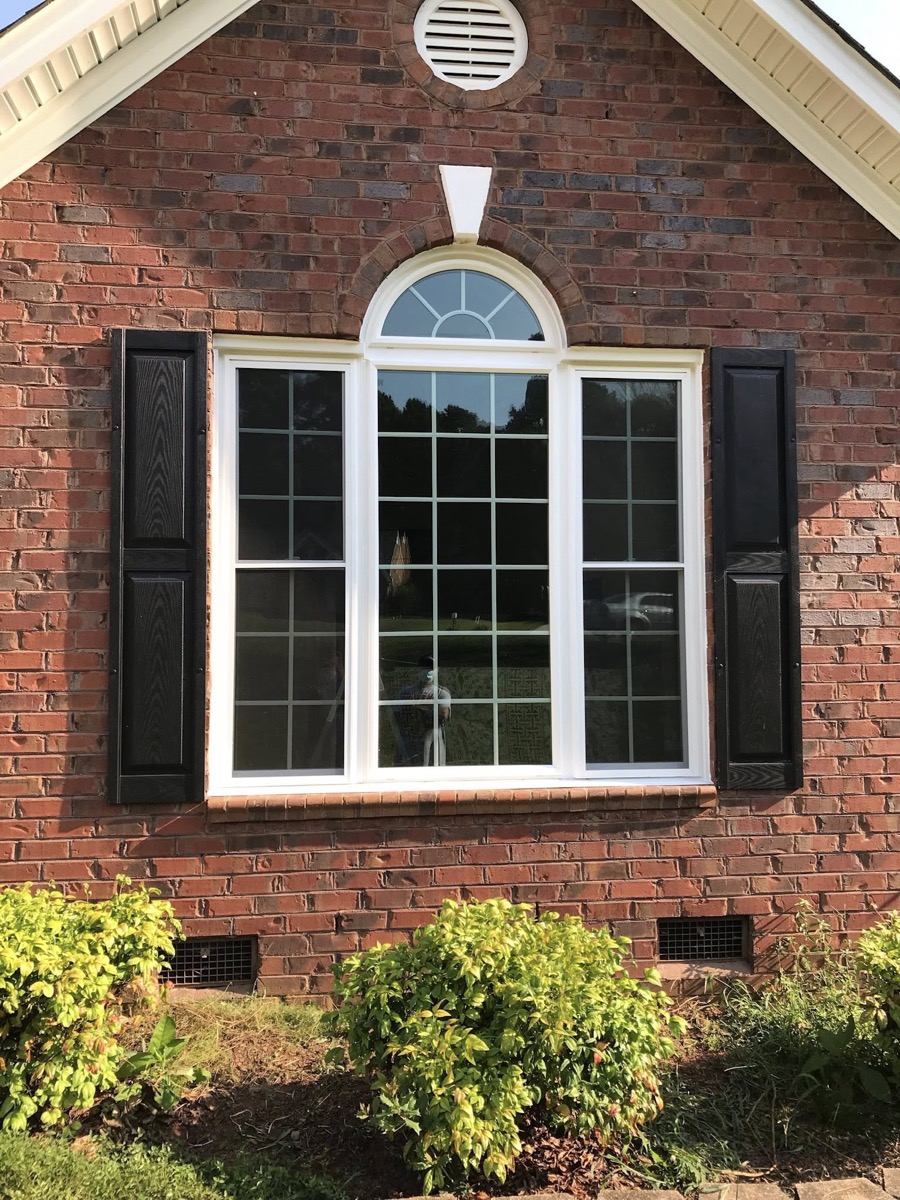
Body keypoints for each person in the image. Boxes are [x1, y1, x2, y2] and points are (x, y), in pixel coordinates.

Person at [396, 654, 451, 766]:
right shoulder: (406, 692)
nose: (427, 672)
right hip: (410, 742)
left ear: (436, 671)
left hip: (432, 741)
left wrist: (417, 708)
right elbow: (398, 715)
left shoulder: (441, 693)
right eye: (424, 669)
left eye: (431, 669)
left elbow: (443, 714)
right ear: (418, 670)